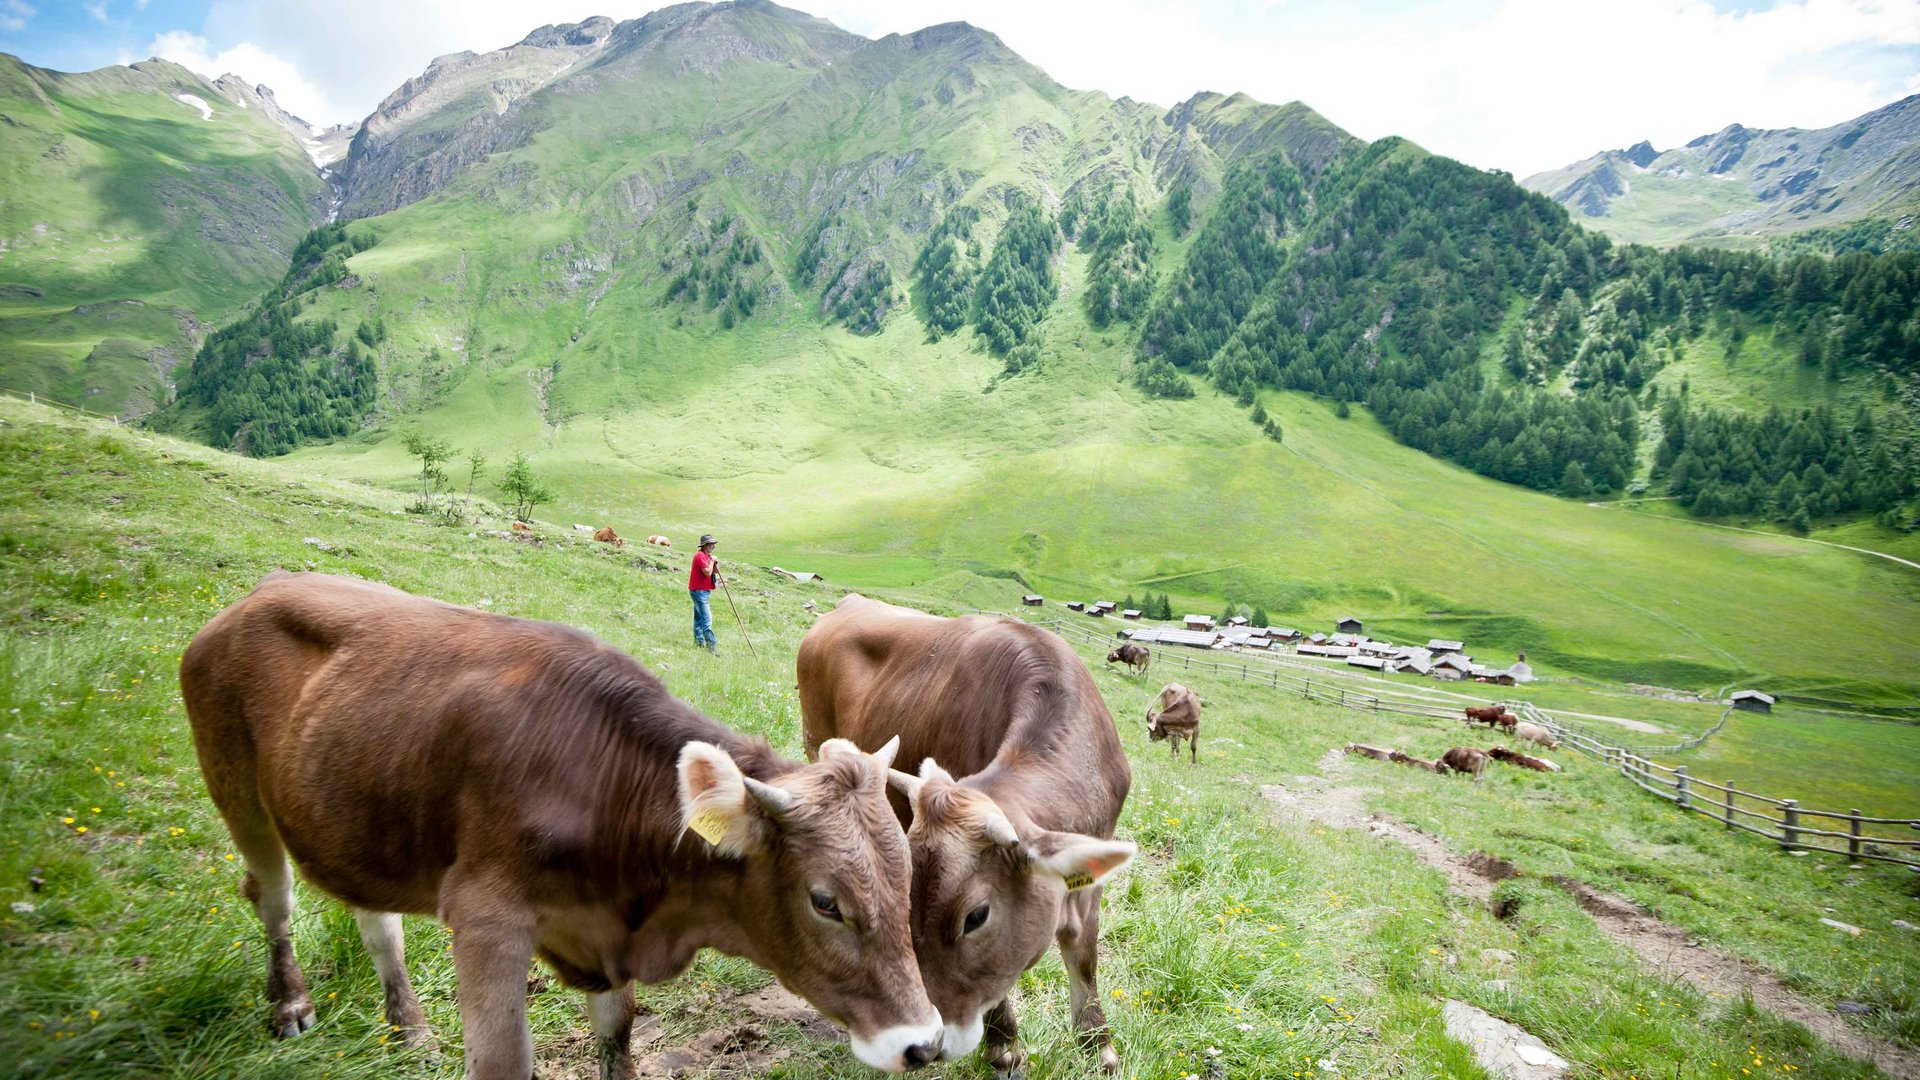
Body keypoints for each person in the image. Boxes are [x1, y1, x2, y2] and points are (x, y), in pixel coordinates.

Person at [689, 533, 721, 651]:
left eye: (713, 544)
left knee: (698, 618)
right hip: (699, 591)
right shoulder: (700, 556)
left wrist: (715, 562)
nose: (713, 546)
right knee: (707, 620)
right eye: (711, 544)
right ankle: (711, 647)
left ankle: (699, 642)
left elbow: (714, 572)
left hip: (703, 591)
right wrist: (712, 561)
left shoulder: (707, 556)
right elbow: (707, 572)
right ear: (705, 545)